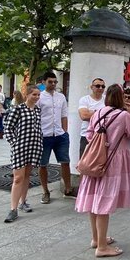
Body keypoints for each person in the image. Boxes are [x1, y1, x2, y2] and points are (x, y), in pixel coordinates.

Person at [75, 84, 130, 257]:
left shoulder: (97, 113)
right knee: (104, 203)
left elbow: (89, 135)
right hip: (112, 162)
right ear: (120, 98)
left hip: (95, 160)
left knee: (94, 200)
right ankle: (102, 247)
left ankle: (96, 239)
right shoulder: (124, 115)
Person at [3, 86, 43, 223]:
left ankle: (23, 201)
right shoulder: (18, 109)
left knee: (26, 176)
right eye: (34, 94)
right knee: (18, 178)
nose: (37, 97)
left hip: (34, 147)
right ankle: (13, 209)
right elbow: (8, 128)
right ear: (27, 95)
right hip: (20, 147)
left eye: (38, 95)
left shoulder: (38, 110)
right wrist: (14, 143)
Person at [38, 71, 74, 203]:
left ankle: (68, 188)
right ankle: (45, 191)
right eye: (50, 82)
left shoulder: (61, 97)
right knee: (43, 164)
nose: (53, 84)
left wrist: (65, 131)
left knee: (65, 162)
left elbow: (64, 115)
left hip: (60, 135)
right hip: (44, 135)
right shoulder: (39, 97)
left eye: (55, 82)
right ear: (44, 82)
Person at [79, 78, 107, 156]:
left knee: (101, 161)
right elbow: (84, 116)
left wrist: (93, 112)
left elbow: (110, 115)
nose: (100, 88)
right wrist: (103, 112)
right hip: (86, 135)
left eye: (103, 86)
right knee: (84, 161)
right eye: (98, 86)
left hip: (103, 136)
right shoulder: (85, 99)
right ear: (92, 87)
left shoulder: (107, 99)